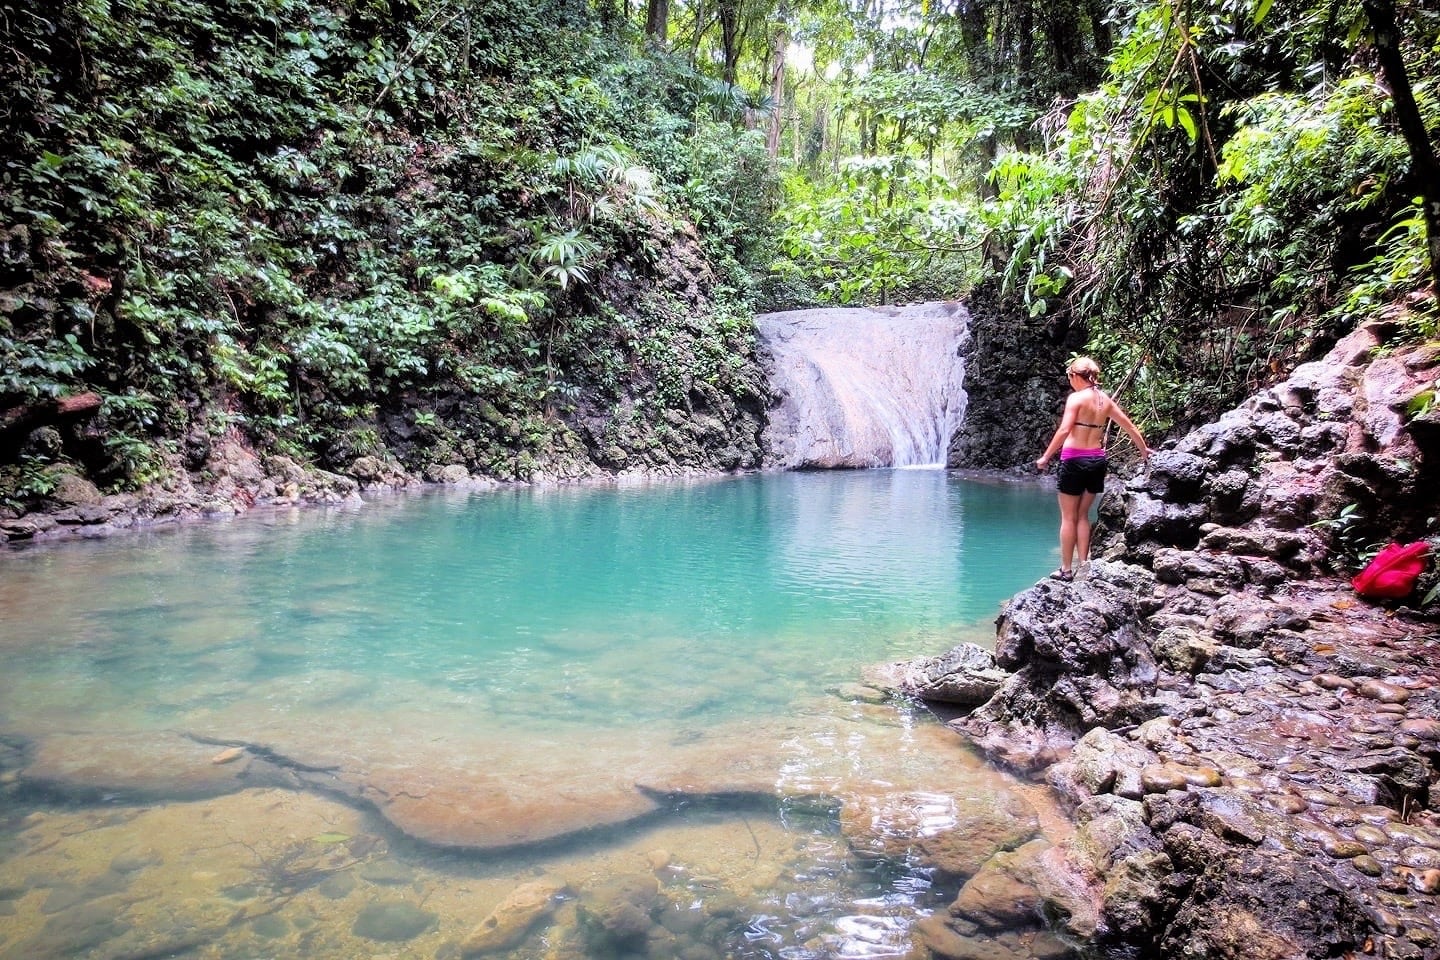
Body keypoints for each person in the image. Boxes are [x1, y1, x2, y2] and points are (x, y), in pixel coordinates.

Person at [1034, 357, 1151, 581]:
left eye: (1070, 377)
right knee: (1082, 515)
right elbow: (1128, 425)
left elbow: (1064, 430)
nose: (1070, 381)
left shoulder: (1076, 399)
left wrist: (1046, 456)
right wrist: (1144, 450)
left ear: (1077, 376)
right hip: (1097, 462)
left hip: (1074, 461)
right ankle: (1085, 565)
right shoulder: (1104, 400)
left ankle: (1066, 570)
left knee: (1068, 517)